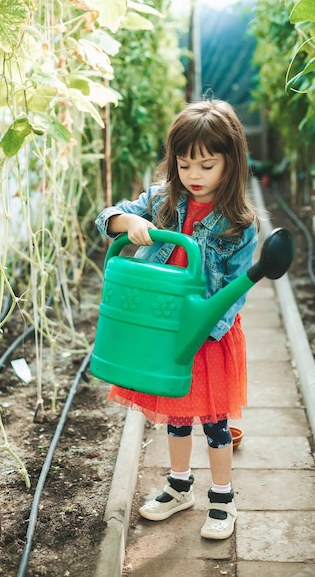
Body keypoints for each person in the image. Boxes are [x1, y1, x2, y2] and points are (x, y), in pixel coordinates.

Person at [95, 99, 259, 540]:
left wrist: (202, 329)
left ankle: (222, 498)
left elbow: (233, 290)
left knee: (216, 422)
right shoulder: (162, 201)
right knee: (177, 416)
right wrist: (127, 221)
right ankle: (179, 485)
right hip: (164, 328)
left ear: (232, 162)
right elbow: (104, 218)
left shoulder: (239, 224)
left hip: (205, 336)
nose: (194, 175)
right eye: (185, 164)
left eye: (207, 165)